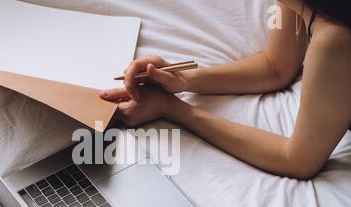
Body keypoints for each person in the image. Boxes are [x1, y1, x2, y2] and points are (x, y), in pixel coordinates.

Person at [100, 0, 351, 180]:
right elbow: (276, 67)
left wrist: (174, 108)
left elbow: (298, 160)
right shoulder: (300, 4)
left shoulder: (335, 41)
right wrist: (183, 80)